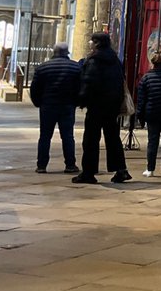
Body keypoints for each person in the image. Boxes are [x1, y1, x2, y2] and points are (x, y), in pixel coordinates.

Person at [74, 32, 131, 184]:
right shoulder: (115, 60)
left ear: (97, 43)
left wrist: (82, 100)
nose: (89, 43)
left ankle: (88, 172)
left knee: (91, 139)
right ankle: (121, 170)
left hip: (96, 105)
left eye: (91, 41)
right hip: (112, 106)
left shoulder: (94, 60)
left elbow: (89, 81)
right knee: (113, 138)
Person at [30, 43, 81, 174]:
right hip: (67, 106)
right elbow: (80, 87)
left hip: (48, 106)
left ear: (54, 52)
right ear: (67, 53)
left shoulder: (43, 67)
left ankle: (41, 165)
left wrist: (38, 102)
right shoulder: (75, 67)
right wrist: (76, 102)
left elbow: (35, 88)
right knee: (68, 136)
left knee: (45, 136)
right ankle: (70, 165)